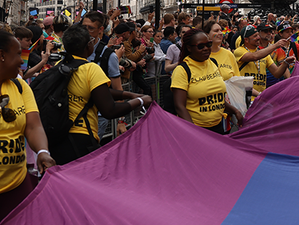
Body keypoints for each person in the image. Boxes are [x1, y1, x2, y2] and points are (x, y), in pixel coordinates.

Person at [49, 25, 151, 165]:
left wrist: (129, 94)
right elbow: (109, 110)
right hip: (82, 135)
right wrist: (140, 100)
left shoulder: (60, 65)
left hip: (58, 134)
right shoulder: (91, 69)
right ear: (88, 46)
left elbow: (99, 92)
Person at [0, 32, 54, 218]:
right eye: (17, 54)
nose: (21, 62)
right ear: (2, 55)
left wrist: (42, 152)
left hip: (18, 187)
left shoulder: (21, 86)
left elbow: (33, 126)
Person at [170, 29, 243, 134]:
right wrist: (194, 131)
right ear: (189, 48)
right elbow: (179, 106)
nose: (206, 49)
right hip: (196, 130)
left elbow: (217, 98)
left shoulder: (213, 63)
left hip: (218, 127)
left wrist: (235, 111)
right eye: (200, 46)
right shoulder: (182, 70)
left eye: (208, 44)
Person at [234, 26, 293, 96]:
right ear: (246, 40)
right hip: (244, 97)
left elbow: (277, 74)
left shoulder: (264, 54)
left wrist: (285, 63)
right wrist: (275, 46)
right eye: (255, 36)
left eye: (258, 35)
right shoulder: (239, 51)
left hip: (260, 98)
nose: (258, 38)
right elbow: (254, 56)